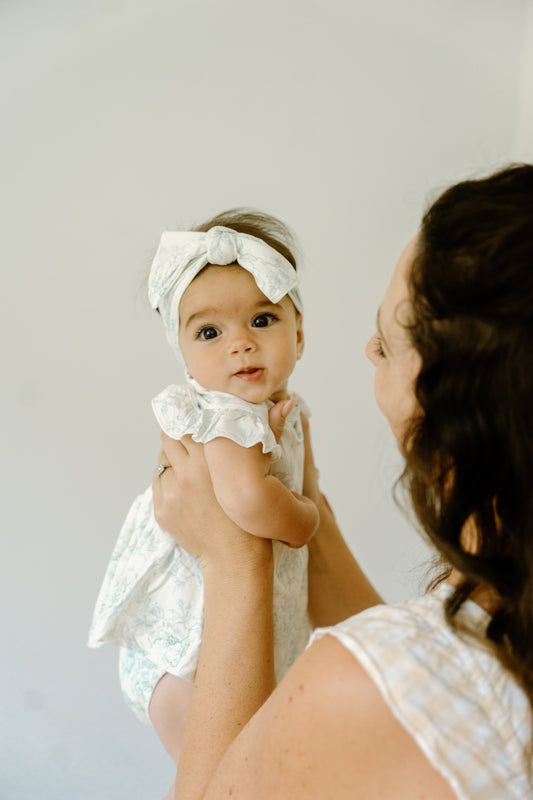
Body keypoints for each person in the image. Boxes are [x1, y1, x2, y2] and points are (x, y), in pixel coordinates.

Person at [152, 164, 533, 799]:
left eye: (384, 345)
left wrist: (234, 559)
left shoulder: (362, 685)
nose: (367, 353)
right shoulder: (486, 631)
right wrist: (303, 496)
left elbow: (400, 677)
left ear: (446, 405)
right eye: (211, 332)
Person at [88, 210, 319, 764]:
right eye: (210, 333)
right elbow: (248, 500)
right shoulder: (229, 419)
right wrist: (306, 519)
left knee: (217, 779)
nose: (240, 344)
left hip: (213, 641)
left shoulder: (276, 410)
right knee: (225, 778)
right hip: (189, 655)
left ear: (298, 334)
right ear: (184, 356)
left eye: (261, 320)